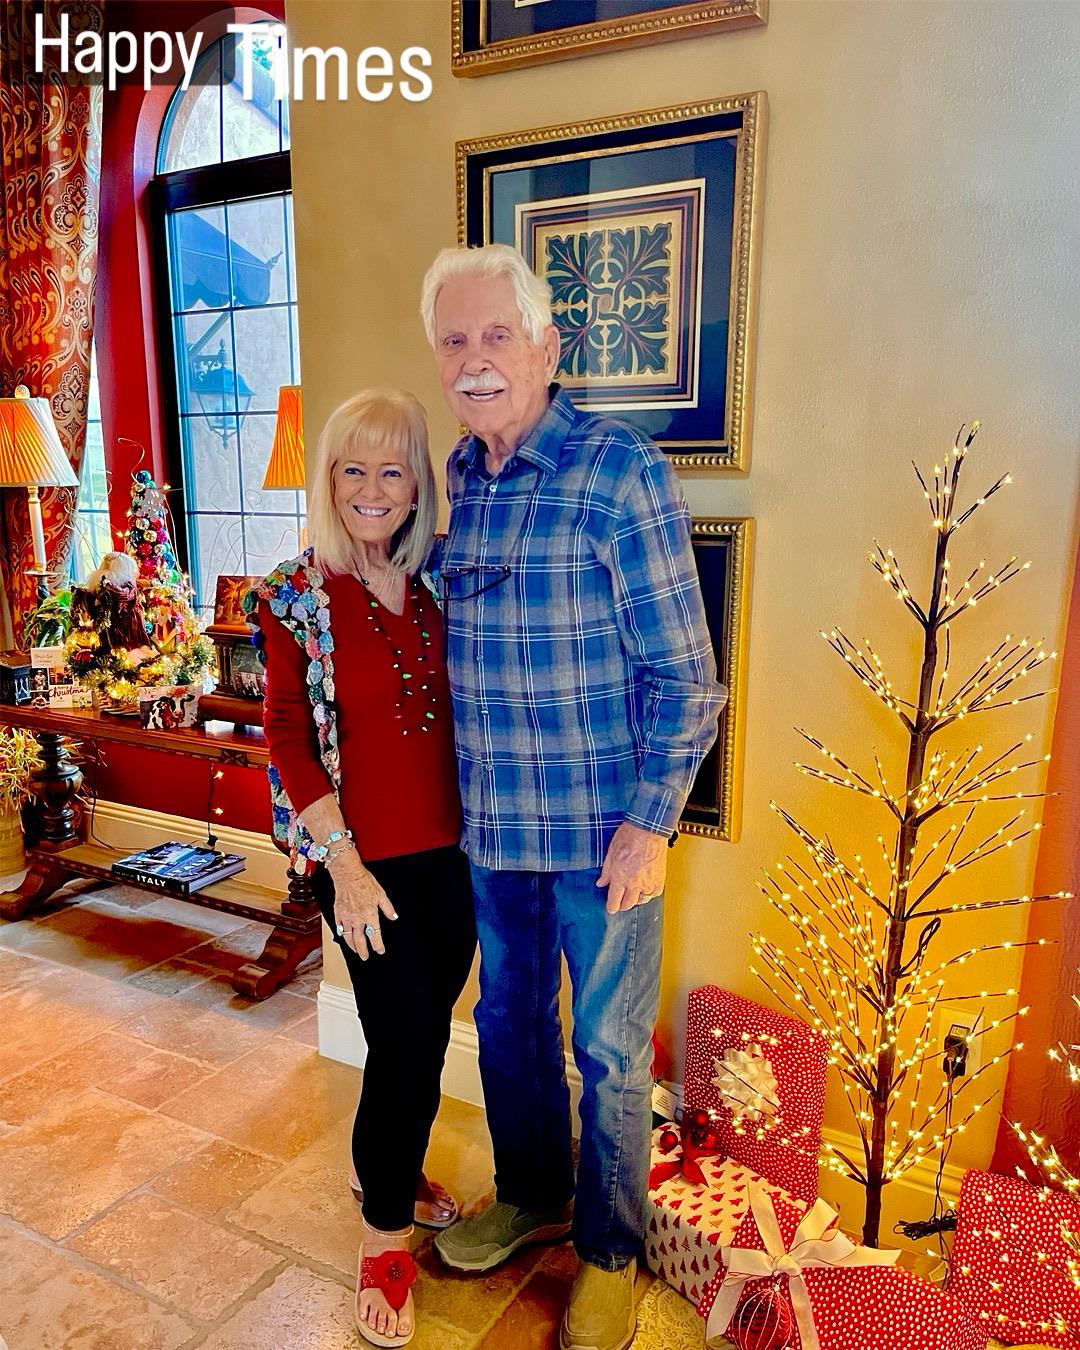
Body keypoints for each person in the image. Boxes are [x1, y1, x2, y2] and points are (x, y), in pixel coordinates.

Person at [420, 244, 726, 1350]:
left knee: (606, 1049)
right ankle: (532, 1195)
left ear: (551, 347)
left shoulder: (617, 470)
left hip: (606, 839)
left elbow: (686, 675)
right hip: (494, 833)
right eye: (454, 341)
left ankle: (608, 1252)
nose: (475, 361)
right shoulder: (458, 478)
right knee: (504, 1025)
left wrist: (651, 824)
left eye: (497, 336)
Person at [246, 389, 476, 1349]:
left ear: (417, 482)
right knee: (412, 1039)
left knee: (416, 1038)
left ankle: (383, 1161)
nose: (373, 490)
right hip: (364, 864)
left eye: (392, 470)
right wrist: (342, 865)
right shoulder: (295, 596)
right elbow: (289, 741)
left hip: (451, 856)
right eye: (353, 469)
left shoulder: (437, 586)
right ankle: (384, 1233)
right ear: (328, 481)